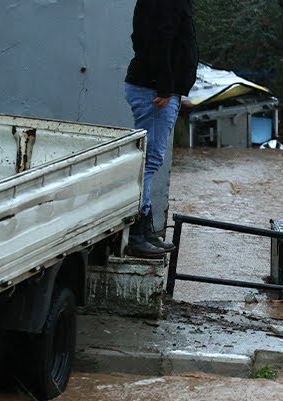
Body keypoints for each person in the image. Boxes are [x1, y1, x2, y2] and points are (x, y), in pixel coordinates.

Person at [123, 0, 198, 259]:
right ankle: (136, 233)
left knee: (150, 158)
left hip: (156, 88)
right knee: (149, 159)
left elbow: (145, 38)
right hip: (154, 91)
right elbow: (159, 39)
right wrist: (164, 85)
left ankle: (144, 231)